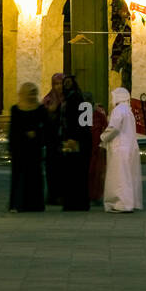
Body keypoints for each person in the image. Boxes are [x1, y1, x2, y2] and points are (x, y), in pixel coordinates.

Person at [100, 87, 142, 212]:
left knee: (120, 177)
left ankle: (121, 203)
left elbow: (114, 128)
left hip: (120, 148)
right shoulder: (128, 111)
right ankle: (129, 202)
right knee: (128, 176)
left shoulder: (118, 110)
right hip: (129, 147)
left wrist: (103, 137)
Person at [8, 82, 47, 211]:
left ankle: (34, 204)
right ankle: (18, 203)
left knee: (34, 176)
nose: (31, 97)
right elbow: (13, 129)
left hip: (34, 148)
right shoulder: (16, 109)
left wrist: (36, 133)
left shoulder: (40, 109)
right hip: (20, 148)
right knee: (19, 177)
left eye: (34, 94)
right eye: (29, 94)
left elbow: (45, 126)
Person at [59, 73, 92, 211]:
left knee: (75, 172)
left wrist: (74, 138)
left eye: (68, 82)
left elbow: (82, 122)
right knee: (75, 172)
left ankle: (75, 203)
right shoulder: (72, 98)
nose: (66, 85)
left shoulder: (75, 98)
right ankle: (78, 202)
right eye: (64, 82)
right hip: (75, 139)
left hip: (76, 140)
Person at [41, 72, 64, 206]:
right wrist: (51, 111)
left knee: (63, 169)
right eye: (56, 84)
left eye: (61, 83)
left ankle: (62, 195)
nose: (59, 86)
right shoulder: (48, 100)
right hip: (51, 140)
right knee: (51, 169)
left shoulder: (70, 98)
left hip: (64, 139)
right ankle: (52, 195)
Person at [88, 101, 109, 205]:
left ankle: (95, 195)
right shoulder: (93, 115)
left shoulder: (99, 115)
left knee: (96, 172)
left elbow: (106, 128)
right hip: (91, 147)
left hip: (97, 147)